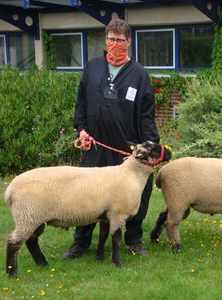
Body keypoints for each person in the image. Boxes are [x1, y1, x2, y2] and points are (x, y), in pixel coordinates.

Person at [62, 19, 160, 259]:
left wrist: (152, 147)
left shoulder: (139, 74)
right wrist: (81, 129)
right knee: (87, 193)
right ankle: (81, 241)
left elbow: (147, 115)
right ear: (105, 40)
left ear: (129, 42)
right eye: (110, 39)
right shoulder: (92, 66)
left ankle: (133, 239)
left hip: (127, 148)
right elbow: (81, 103)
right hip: (95, 145)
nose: (114, 44)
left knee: (136, 192)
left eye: (119, 40)